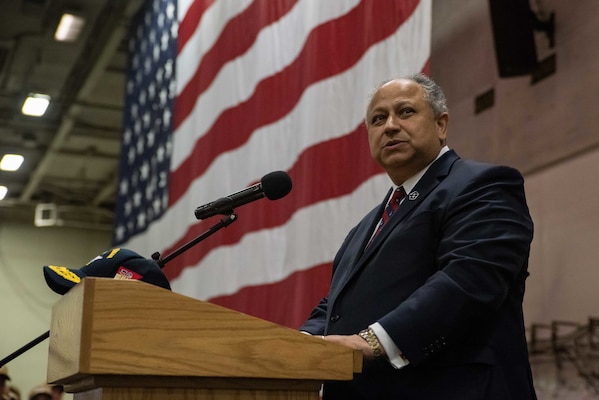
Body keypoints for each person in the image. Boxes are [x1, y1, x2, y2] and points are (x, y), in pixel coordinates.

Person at [300, 73, 536, 399]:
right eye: (378, 119)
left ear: (441, 124)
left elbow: (468, 281)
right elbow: (336, 306)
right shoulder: (365, 227)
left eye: (406, 112)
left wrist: (373, 341)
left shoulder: (484, 184)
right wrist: (298, 344)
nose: (391, 126)